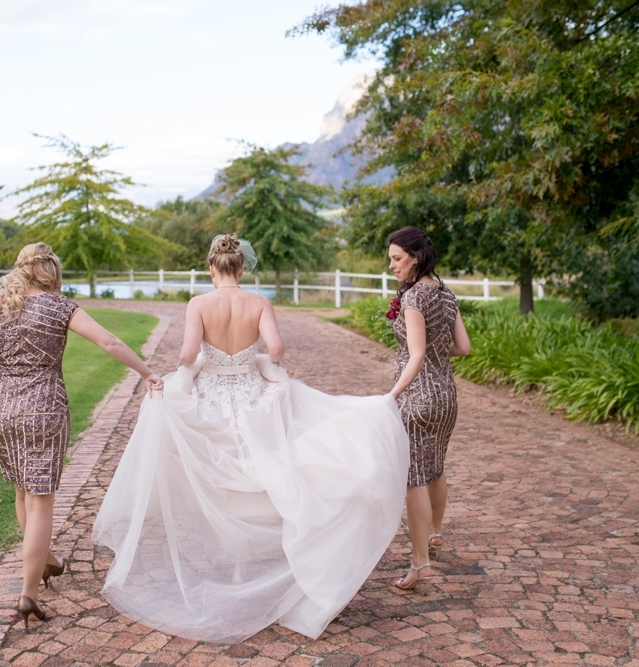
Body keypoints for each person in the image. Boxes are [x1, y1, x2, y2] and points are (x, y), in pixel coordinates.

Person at [92, 234, 411, 643]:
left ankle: (236, 551)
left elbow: (188, 356)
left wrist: (205, 361)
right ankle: (261, 555)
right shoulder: (259, 303)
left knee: (221, 472)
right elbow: (275, 350)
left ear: (212, 269)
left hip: (212, 396)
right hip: (250, 394)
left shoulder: (199, 304)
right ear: (241, 269)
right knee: (263, 467)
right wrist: (255, 358)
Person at [0, 242, 163, 628]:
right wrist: (147, 373)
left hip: (0, 412)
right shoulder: (60, 306)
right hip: (43, 409)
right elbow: (109, 341)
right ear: (50, 270)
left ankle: (48, 561)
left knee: (22, 492)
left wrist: (2, 380)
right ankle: (28, 594)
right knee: (39, 501)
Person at [385, 226, 471, 592]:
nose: (391, 266)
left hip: (418, 398)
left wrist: (391, 396)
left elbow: (416, 355)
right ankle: (434, 533)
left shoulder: (414, 298)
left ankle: (419, 564)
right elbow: (463, 348)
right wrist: (435, 351)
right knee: (434, 467)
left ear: (415, 257)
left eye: (397, 258)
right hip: (446, 396)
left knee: (413, 478)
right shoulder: (445, 292)